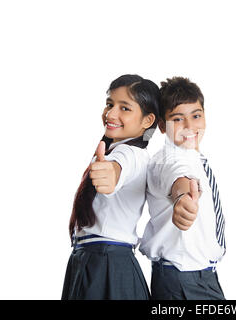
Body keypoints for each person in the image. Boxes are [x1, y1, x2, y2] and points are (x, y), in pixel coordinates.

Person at [61, 74, 160, 300]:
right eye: (109, 104)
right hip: (91, 259)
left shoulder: (131, 153)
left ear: (147, 121)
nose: (111, 114)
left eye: (125, 108)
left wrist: (110, 175)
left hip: (107, 264)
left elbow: (118, 170)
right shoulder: (113, 150)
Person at [140, 77, 226, 300]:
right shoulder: (168, 159)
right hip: (183, 280)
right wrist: (182, 198)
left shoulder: (194, 158)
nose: (189, 126)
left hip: (198, 276)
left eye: (196, 115)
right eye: (178, 119)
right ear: (162, 125)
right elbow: (179, 176)